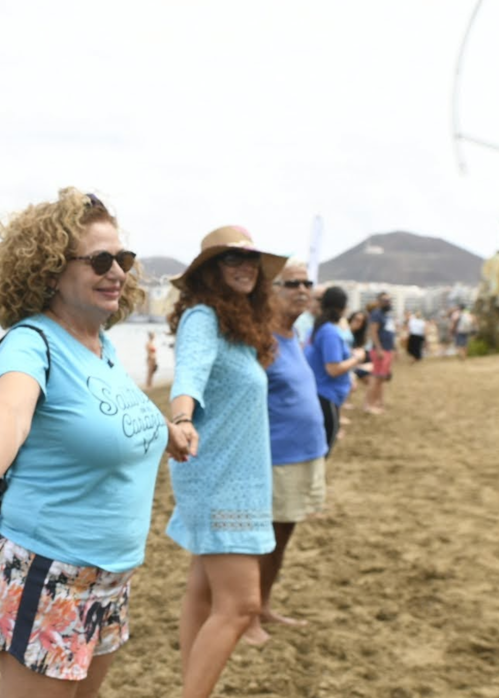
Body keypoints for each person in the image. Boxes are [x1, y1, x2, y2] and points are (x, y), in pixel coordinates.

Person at [0, 188, 188, 698]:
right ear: (49, 270)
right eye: (100, 260)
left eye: (124, 259)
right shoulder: (31, 342)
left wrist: (166, 433)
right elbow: (10, 413)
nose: (118, 271)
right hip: (51, 571)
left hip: (111, 574)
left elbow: (104, 418)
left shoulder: (101, 346)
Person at [165, 225, 286, 698]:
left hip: (232, 475)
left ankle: (192, 688)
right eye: (232, 258)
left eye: (251, 259)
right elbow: (188, 375)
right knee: (241, 606)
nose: (246, 267)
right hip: (217, 477)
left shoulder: (239, 329)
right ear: (210, 271)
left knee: (204, 591)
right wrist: (181, 417)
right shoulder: (203, 317)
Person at [242, 261, 329, 647]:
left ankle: (264, 606)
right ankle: (247, 617)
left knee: (285, 534)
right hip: (277, 458)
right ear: (270, 290)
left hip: (307, 454)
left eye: (307, 282)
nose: (302, 289)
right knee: (265, 540)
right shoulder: (261, 340)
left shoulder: (294, 336)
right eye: (291, 283)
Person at [305, 287, 365, 455]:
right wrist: (357, 358)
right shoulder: (329, 331)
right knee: (324, 449)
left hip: (321, 394)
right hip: (325, 396)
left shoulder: (318, 327)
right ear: (343, 308)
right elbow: (333, 369)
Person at [365, 292, 397, 414]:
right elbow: (373, 332)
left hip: (387, 350)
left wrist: (393, 349)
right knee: (375, 378)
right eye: (385, 300)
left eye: (389, 300)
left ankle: (377, 402)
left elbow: (390, 332)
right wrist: (378, 348)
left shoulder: (387, 315)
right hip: (380, 350)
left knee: (382, 378)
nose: (388, 302)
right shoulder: (376, 314)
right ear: (378, 301)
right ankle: (369, 404)